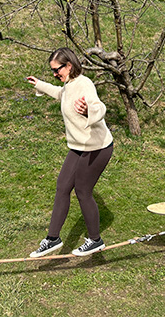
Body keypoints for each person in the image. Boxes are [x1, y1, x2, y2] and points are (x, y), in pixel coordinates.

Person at [26, 47, 113, 257]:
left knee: (83, 191)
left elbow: (100, 107)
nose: (55, 75)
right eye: (53, 72)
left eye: (57, 70)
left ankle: (95, 240)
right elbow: (60, 94)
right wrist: (40, 84)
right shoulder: (68, 86)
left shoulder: (84, 84)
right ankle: (53, 239)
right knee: (62, 187)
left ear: (69, 66)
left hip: (97, 147)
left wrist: (89, 111)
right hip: (78, 146)